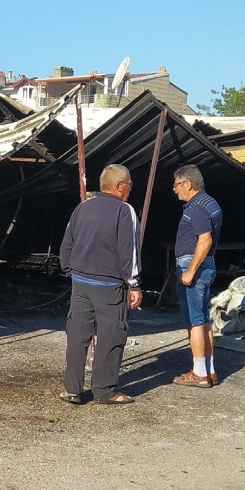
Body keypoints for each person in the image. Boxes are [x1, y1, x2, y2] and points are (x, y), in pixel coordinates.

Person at [58, 164, 142, 405]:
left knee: (77, 335)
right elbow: (130, 251)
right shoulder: (125, 211)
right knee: (111, 335)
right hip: (110, 286)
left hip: (80, 282)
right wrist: (134, 284)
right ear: (119, 186)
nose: (130, 190)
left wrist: (70, 269)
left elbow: (67, 243)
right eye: (129, 185)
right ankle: (104, 391)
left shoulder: (82, 207)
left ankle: (71, 389)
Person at [171, 164, 223, 388]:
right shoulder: (210, 203)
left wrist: (190, 271)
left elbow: (205, 239)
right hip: (206, 265)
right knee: (203, 320)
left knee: (194, 322)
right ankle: (209, 370)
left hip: (194, 266)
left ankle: (199, 373)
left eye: (176, 185)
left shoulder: (198, 207)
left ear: (187, 184)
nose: (174, 190)